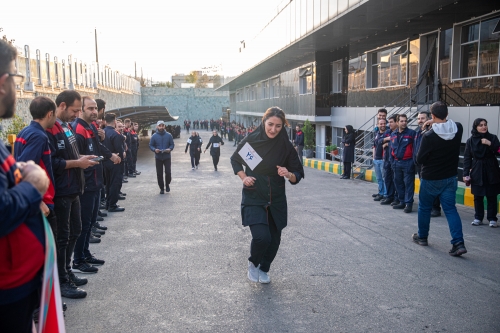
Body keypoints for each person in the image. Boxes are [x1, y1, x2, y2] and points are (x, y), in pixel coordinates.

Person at [0, 40, 52, 332]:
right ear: (3, 83)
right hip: (8, 292)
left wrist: (13, 172)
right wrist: (33, 186)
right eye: (16, 78)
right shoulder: (38, 135)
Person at [230, 107, 304, 284]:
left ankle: (264, 268)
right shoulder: (252, 141)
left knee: (274, 240)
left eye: (278, 126)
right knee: (262, 237)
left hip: (276, 197)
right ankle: (253, 263)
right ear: (264, 122)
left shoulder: (285, 146)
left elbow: (297, 174)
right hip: (254, 195)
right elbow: (235, 159)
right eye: (270, 124)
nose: (273, 130)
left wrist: (288, 174)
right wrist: (244, 177)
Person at [413, 101, 466, 256]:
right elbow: (451, 123)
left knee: (424, 207)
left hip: (431, 178)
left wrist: (430, 125)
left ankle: (422, 237)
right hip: (450, 177)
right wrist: (436, 121)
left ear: (432, 115)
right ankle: (458, 243)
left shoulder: (429, 136)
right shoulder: (458, 128)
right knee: (450, 209)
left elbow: (419, 160)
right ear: (447, 114)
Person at [72, 97, 117, 273]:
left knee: (90, 221)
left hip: (96, 182)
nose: (94, 111)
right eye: (90, 108)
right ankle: (78, 260)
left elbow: (97, 147)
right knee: (83, 224)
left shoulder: (90, 127)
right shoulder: (78, 129)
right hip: (86, 184)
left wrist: (110, 155)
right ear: (81, 109)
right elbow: (78, 158)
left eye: (95, 108)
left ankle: (85, 254)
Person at [463, 118, 500, 228]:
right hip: (477, 170)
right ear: (476, 127)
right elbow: (467, 158)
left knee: (491, 195)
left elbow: (499, 151)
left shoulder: (492, 138)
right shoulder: (471, 141)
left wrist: (490, 144)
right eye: (480, 125)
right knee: (478, 196)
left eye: (485, 125)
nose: (483, 127)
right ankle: (478, 217)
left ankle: (492, 218)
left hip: (491, 169)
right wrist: (466, 173)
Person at [414, 111, 441, 217]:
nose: (420, 120)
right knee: (424, 187)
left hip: (430, 165)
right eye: (418, 119)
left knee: (433, 187)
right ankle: (428, 207)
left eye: (423, 118)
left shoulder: (433, 132)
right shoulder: (417, 132)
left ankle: (435, 208)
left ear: (429, 120)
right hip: (420, 165)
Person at [390, 114, 416, 213]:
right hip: (396, 163)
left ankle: (408, 204)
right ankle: (402, 202)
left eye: (405, 121)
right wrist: (392, 161)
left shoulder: (412, 133)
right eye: (401, 121)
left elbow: (415, 149)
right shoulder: (393, 134)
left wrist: (413, 162)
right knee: (398, 183)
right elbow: (391, 149)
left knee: (408, 184)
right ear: (397, 122)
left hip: (408, 162)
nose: (404, 123)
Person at [102, 113, 125, 212]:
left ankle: (108, 203)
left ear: (105, 122)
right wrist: (122, 156)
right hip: (116, 162)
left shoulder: (102, 132)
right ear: (115, 122)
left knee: (108, 183)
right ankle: (112, 205)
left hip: (105, 161)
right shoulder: (116, 134)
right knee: (115, 183)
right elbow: (119, 150)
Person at [149, 120, 175, 194]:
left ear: (164, 126)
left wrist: (169, 149)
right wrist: (154, 149)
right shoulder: (154, 136)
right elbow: (151, 145)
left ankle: (167, 184)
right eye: (159, 126)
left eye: (162, 125)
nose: (161, 127)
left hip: (167, 157)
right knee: (159, 173)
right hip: (158, 157)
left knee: (168, 172)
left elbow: (172, 144)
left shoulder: (169, 135)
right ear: (157, 126)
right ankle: (161, 188)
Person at [380, 115, 398, 205]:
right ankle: (389, 197)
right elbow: (379, 141)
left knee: (396, 180)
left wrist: (388, 143)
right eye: (389, 122)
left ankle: (396, 198)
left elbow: (397, 144)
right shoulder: (387, 132)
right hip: (387, 160)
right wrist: (386, 139)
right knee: (388, 179)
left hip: (396, 161)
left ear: (396, 122)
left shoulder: (399, 132)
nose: (389, 124)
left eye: (391, 122)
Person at [372, 118, 387, 201]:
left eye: (384, 123)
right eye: (381, 124)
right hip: (376, 159)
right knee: (379, 178)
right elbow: (374, 146)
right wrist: (373, 157)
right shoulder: (377, 134)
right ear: (378, 125)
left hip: (383, 159)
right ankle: (380, 193)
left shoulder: (387, 134)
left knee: (384, 178)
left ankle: (385, 194)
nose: (383, 125)